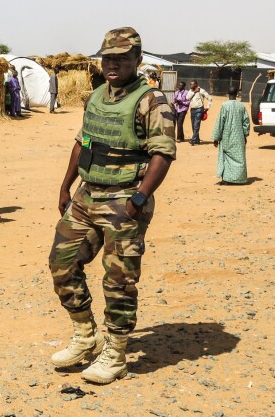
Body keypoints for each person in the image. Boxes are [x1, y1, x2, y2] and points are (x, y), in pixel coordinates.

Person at [48, 27, 176, 385]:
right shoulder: (96, 96)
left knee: (119, 280)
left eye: (121, 57)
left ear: (137, 59)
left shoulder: (152, 100)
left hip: (124, 198)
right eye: (108, 57)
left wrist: (138, 200)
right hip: (87, 195)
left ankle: (116, 353)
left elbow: (162, 154)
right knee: (62, 262)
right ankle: (85, 335)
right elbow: (83, 141)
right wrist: (66, 185)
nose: (113, 64)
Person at [211, 86, 250, 185]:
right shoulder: (242, 106)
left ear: (228, 94)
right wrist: (245, 135)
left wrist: (216, 138)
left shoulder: (225, 106)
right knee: (239, 158)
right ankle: (240, 179)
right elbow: (246, 122)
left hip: (227, 136)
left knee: (226, 157)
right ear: (237, 94)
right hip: (239, 137)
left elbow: (220, 122)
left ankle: (227, 180)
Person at [187, 80, 212, 145]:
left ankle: (193, 139)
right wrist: (194, 92)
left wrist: (207, 107)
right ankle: (197, 140)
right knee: (193, 125)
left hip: (199, 109)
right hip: (192, 110)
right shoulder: (191, 91)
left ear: (196, 85)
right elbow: (187, 98)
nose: (191, 85)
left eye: (192, 84)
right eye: (190, 84)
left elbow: (209, 98)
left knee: (196, 125)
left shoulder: (202, 90)